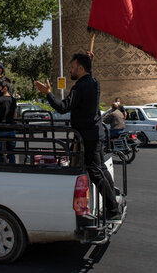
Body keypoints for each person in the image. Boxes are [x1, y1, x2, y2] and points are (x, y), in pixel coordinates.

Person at [34, 53, 121, 221]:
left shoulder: (79, 87)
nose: (70, 70)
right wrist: (91, 62)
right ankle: (113, 203)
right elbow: (90, 74)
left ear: (81, 68)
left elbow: (62, 107)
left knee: (95, 171)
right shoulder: (94, 83)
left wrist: (48, 93)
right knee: (100, 168)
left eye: (72, 67)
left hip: (87, 135)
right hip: (96, 133)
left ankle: (112, 209)